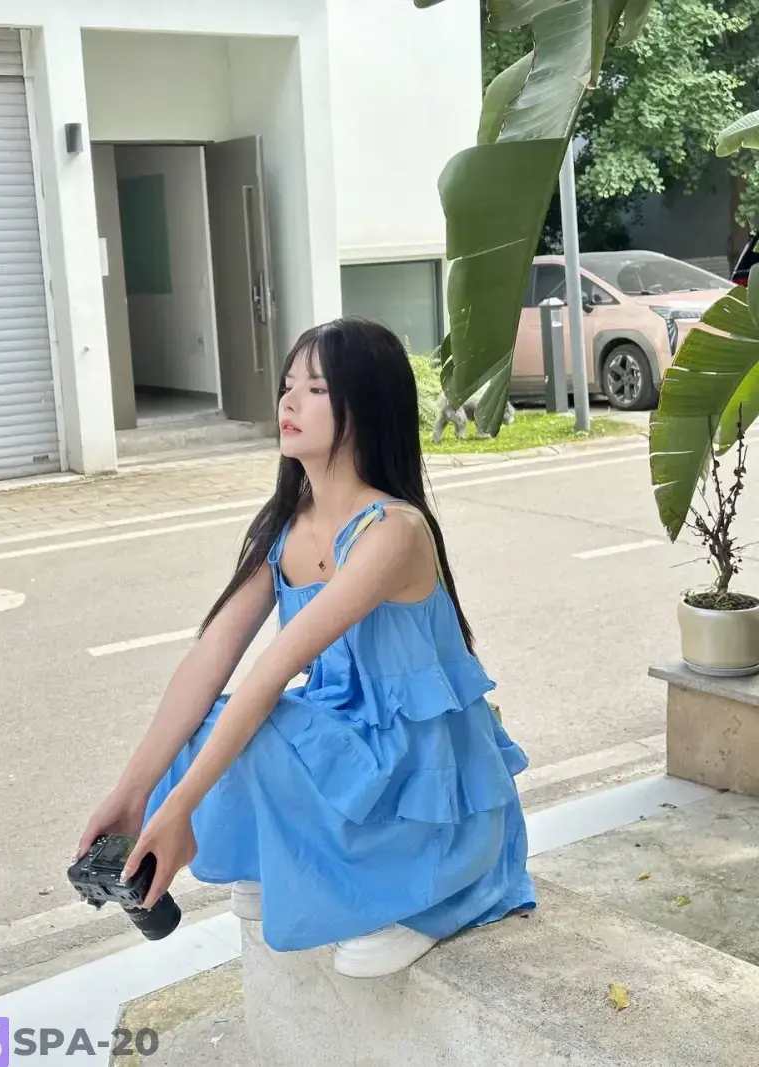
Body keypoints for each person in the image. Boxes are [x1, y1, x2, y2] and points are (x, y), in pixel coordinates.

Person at [77, 318, 535, 979]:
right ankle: (286, 860)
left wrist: (177, 809)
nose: (288, 401)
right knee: (203, 719)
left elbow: (271, 672)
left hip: (422, 777)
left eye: (316, 389)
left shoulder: (392, 530)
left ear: (367, 405)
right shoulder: (283, 527)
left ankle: (420, 892)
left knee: (254, 723)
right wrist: (133, 793)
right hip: (356, 750)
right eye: (288, 384)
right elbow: (210, 657)